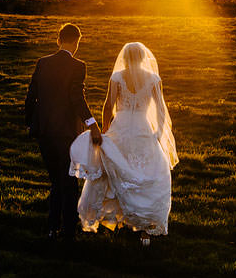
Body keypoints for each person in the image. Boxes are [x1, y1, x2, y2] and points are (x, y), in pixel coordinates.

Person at [69, 41, 178, 245]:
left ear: (126, 58)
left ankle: (118, 222)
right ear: (143, 58)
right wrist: (158, 133)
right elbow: (161, 111)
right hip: (143, 128)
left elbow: (108, 105)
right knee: (145, 173)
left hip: (121, 126)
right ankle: (144, 229)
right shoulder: (154, 79)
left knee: (116, 171)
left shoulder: (117, 77)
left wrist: (105, 129)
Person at [25, 22, 100, 240]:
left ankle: (52, 228)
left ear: (58, 40)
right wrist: (92, 124)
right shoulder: (78, 66)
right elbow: (77, 98)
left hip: (44, 131)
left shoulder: (42, 63)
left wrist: (31, 123)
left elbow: (31, 96)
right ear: (77, 42)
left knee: (56, 181)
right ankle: (67, 231)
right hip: (67, 133)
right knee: (68, 182)